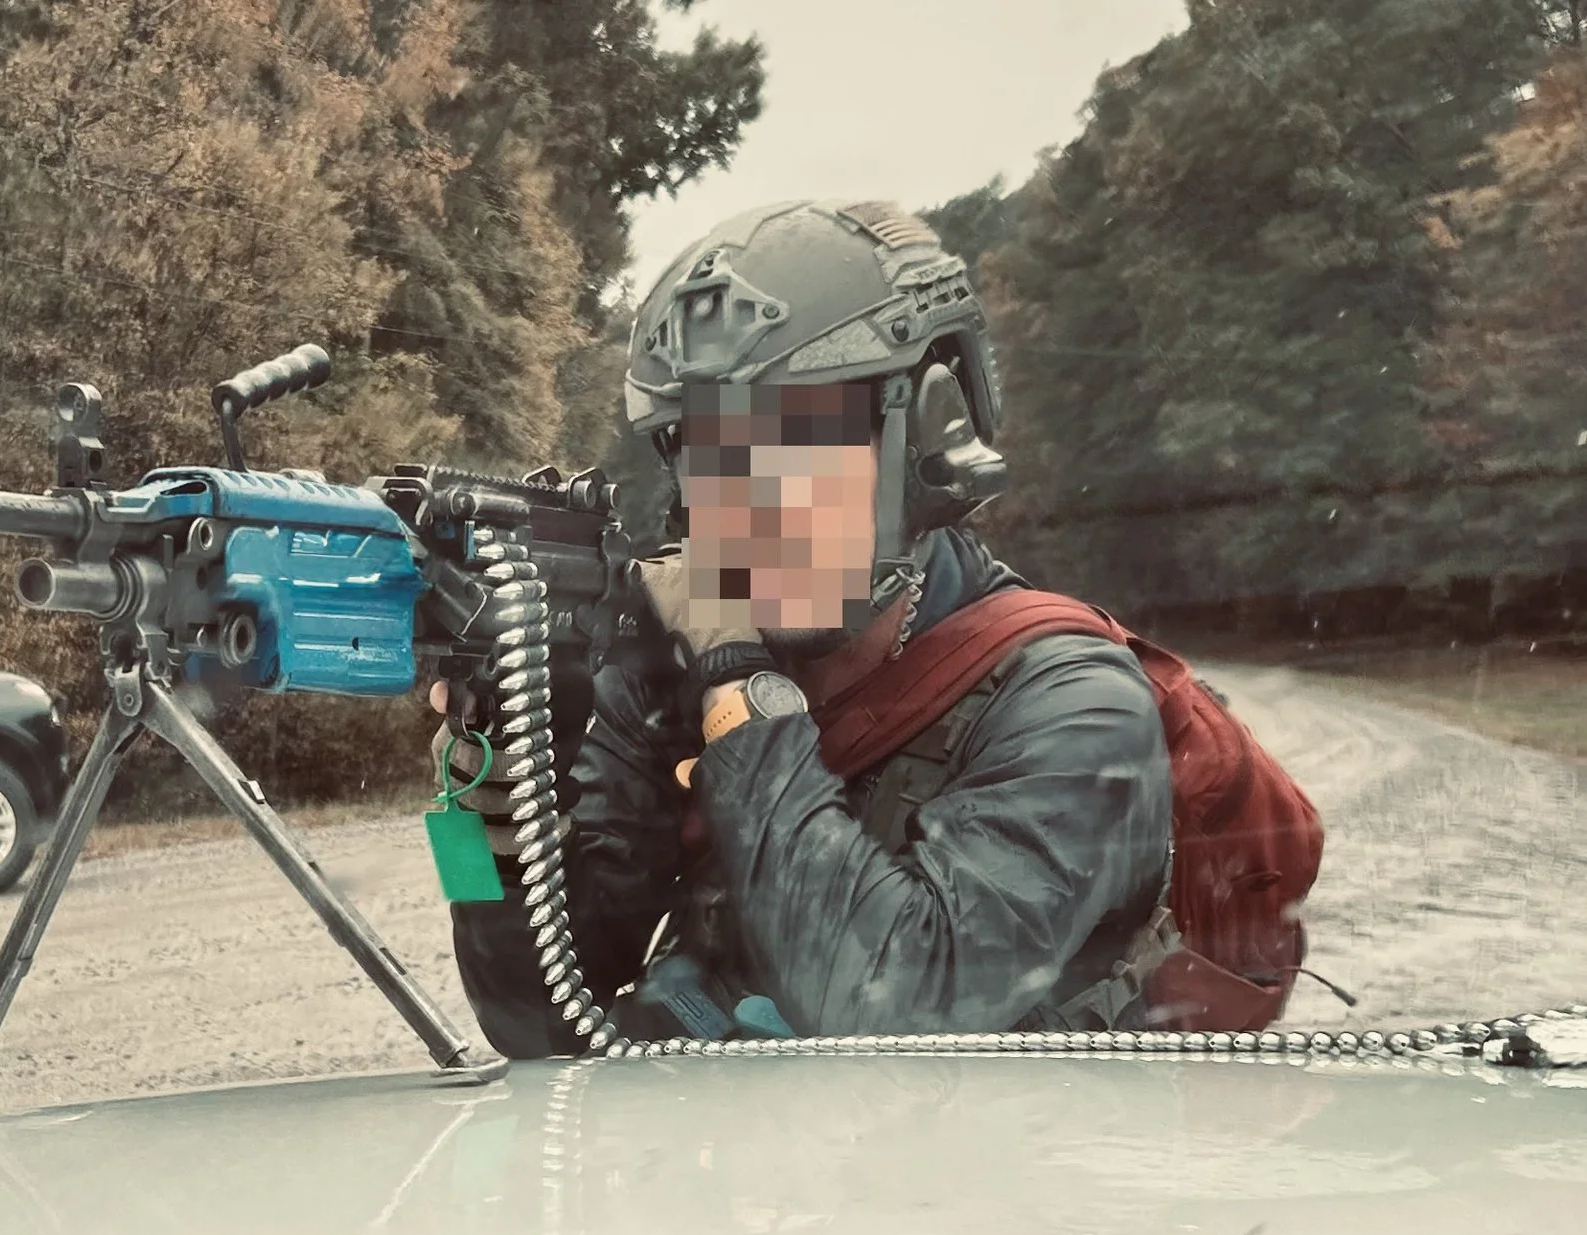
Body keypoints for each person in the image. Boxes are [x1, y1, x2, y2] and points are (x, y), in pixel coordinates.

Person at [436, 199, 1177, 1057]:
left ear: (924, 437)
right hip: (741, 1165)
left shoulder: (1077, 707)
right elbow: (528, 1018)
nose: (745, 500)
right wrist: (477, 816)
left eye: (794, 442)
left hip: (991, 1175)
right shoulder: (677, 673)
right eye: (711, 451)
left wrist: (739, 689)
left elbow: (899, 1007)